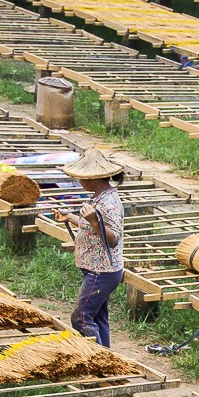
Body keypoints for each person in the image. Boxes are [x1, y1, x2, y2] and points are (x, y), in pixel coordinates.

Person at [55, 148, 125, 347]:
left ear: (93, 178)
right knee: (98, 317)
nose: (80, 181)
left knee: (81, 318)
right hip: (97, 268)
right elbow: (92, 226)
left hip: (102, 271)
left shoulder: (109, 203)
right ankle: (107, 359)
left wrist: (94, 220)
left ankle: (98, 360)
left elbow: (113, 239)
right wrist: (70, 217)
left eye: (81, 178)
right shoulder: (100, 197)